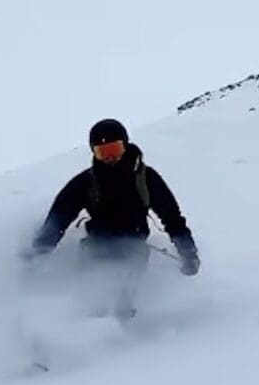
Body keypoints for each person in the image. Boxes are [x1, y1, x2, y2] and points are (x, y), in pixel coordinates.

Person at [26, 118, 201, 277]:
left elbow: (172, 218)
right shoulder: (87, 182)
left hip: (134, 250)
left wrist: (188, 253)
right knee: (89, 299)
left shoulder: (146, 178)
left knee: (124, 299)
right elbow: (58, 219)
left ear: (125, 146)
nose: (110, 158)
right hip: (94, 249)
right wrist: (36, 254)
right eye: (102, 152)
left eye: (114, 149)